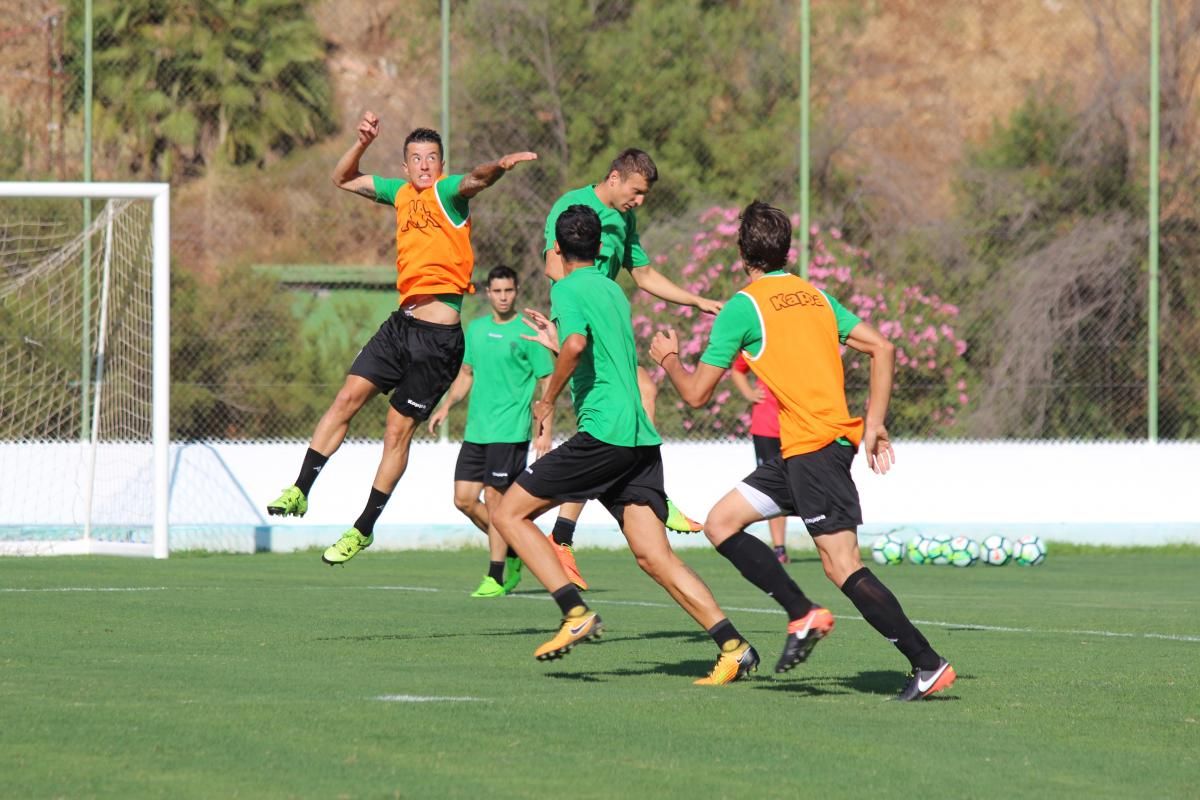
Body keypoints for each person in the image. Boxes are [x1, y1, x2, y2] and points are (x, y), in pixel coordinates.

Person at [649, 200, 956, 701]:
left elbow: (696, 394)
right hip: (801, 453)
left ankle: (928, 663)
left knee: (841, 566)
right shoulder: (813, 296)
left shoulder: (742, 307)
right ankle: (801, 611)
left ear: (742, 252)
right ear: (785, 249)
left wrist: (668, 360)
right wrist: (873, 424)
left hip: (815, 453)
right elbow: (883, 346)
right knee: (720, 522)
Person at [492, 204, 759, 685]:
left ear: (556, 246)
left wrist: (547, 399)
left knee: (508, 513)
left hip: (605, 436)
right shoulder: (611, 289)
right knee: (655, 557)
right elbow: (593, 351)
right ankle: (733, 646)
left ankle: (573, 612)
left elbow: (577, 346)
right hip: (637, 437)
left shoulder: (567, 288)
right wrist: (559, 341)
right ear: (597, 247)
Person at [265, 110, 537, 566]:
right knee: (346, 398)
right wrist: (362, 142)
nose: (425, 165)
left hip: (437, 343)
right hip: (399, 326)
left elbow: (474, 181)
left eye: (433, 157)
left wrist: (498, 167)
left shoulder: (447, 194)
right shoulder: (400, 194)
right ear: (406, 166)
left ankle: (364, 527)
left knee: (396, 431)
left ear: (440, 165)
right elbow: (342, 178)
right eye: (416, 158)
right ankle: (300, 490)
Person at [539, 149, 717, 588]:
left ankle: (636, 504)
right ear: (615, 178)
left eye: (644, 195)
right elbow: (551, 265)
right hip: (584, 330)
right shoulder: (571, 207)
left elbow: (644, 274)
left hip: (605, 329)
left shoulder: (623, 221)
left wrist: (694, 300)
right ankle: (568, 533)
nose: (639, 201)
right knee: (610, 423)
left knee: (637, 404)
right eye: (636, 192)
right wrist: (579, 315)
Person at [427, 265, 554, 597]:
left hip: (509, 432)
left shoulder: (527, 333)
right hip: (477, 431)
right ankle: (515, 547)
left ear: (516, 291)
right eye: (497, 291)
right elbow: (466, 374)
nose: (503, 297)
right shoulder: (478, 329)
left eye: (508, 291)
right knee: (464, 500)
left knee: (497, 502)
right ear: (488, 293)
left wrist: (544, 427)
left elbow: (547, 382)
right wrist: (445, 406)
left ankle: (496, 575)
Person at [728, 353, 790, 563]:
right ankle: (779, 548)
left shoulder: (800, 340)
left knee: (803, 484)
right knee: (774, 486)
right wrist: (749, 392)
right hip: (766, 428)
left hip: (798, 427)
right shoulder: (760, 341)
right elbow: (737, 369)